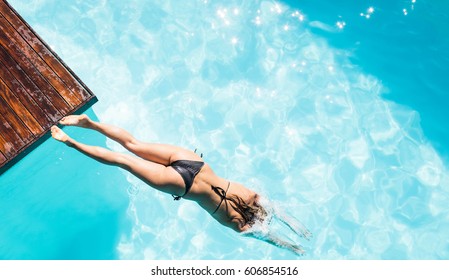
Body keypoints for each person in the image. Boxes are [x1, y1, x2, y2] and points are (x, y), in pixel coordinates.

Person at [51, 114, 311, 255]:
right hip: (182, 186)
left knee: (134, 145)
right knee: (123, 160)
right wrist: (291, 247)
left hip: (196, 164)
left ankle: (90, 123)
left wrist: (297, 227)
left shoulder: (255, 197)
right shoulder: (241, 226)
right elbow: (268, 237)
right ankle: (70, 142)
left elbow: (278, 210)